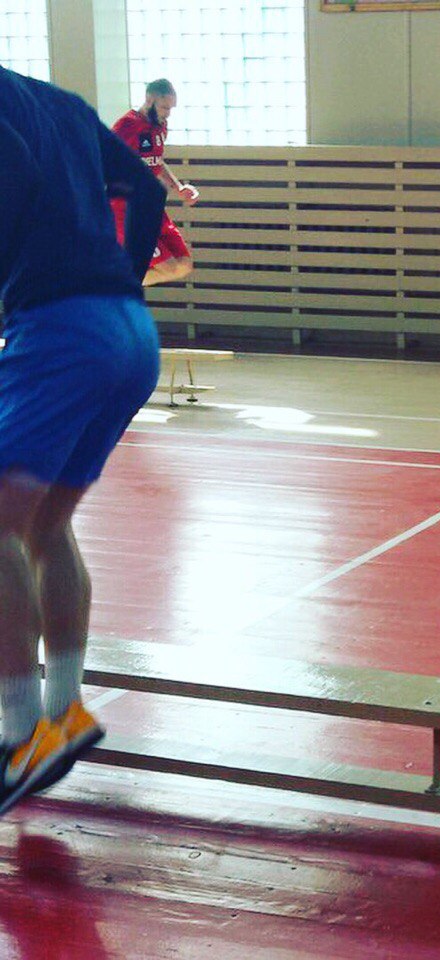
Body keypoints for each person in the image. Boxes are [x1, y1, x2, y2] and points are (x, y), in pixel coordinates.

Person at [0, 65, 166, 814]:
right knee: (45, 526)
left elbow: (11, 167)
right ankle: (64, 709)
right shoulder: (62, 104)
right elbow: (149, 192)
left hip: (62, 329)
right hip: (130, 329)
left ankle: (19, 735)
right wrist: (119, 280)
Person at [111, 78, 200, 287]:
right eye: (164, 107)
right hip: (127, 211)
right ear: (150, 99)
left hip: (152, 208)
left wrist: (179, 187)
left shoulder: (160, 126)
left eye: (171, 108)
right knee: (168, 267)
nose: (168, 113)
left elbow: (156, 161)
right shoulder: (127, 125)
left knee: (184, 265)